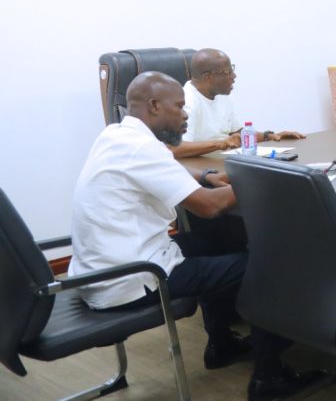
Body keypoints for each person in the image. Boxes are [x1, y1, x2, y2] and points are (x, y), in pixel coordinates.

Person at [68, 71, 321, 400]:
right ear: (155, 106)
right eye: (180, 106)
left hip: (104, 268)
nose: (186, 113)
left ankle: (222, 344)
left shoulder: (118, 135)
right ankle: (268, 379)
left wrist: (206, 174)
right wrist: (273, 179)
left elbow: (164, 165)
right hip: (132, 279)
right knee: (270, 265)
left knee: (218, 241)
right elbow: (209, 207)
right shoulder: (140, 148)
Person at [172, 48, 305, 160]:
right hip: (201, 164)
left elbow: (236, 133)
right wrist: (220, 144)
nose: (234, 76)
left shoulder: (221, 95)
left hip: (223, 157)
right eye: (228, 72)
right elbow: (177, 148)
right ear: (208, 77)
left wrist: (269, 136)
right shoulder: (186, 102)